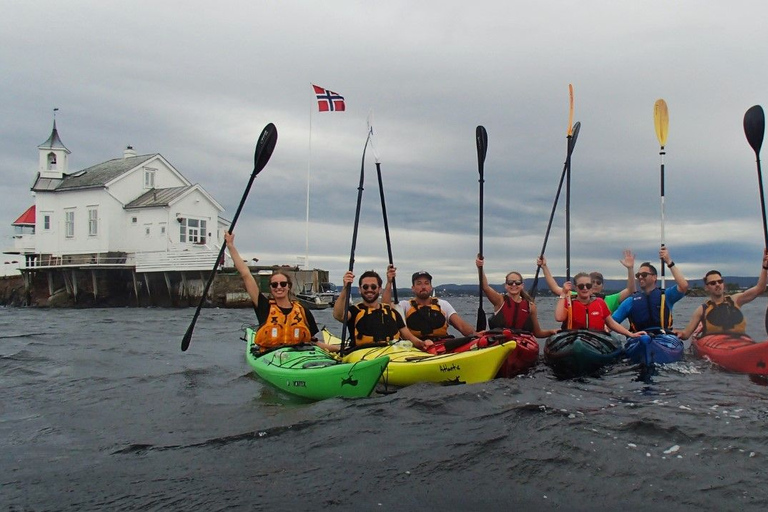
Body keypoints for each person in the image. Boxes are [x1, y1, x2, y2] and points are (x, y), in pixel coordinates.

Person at [224, 232, 329, 352]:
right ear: (271, 288)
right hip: (271, 356)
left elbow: (314, 342)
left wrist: (340, 350)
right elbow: (246, 274)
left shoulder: (302, 310)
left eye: (283, 284)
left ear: (289, 286)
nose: (279, 287)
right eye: (274, 284)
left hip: (297, 357)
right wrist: (231, 246)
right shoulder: (264, 306)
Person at [676, 250, 768, 340]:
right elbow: (686, 334)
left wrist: (764, 267)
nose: (717, 284)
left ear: (723, 284)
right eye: (712, 283)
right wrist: (676, 333)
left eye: (720, 281)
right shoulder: (702, 310)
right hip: (715, 346)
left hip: (739, 343)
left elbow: (759, 289)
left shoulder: (736, 300)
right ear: (706, 287)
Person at [333, 269, 431, 351]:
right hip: (363, 354)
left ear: (379, 289)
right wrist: (345, 287)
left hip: (392, 353)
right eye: (365, 287)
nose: (369, 290)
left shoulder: (392, 312)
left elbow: (408, 336)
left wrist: (422, 343)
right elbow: (338, 315)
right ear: (360, 289)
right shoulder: (354, 311)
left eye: (373, 286)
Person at [385, 267, 476, 340]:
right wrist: (389, 282)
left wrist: (475, 336)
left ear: (431, 287)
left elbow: (461, 326)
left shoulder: (443, 304)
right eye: (419, 283)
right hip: (415, 348)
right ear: (413, 288)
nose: (423, 287)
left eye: (426, 283)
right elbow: (385, 307)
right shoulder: (404, 306)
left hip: (442, 346)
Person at [611, 247, 689, 332]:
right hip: (640, 340)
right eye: (638, 275)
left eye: (644, 274)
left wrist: (669, 262)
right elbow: (612, 323)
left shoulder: (665, 296)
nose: (640, 277)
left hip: (663, 338)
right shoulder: (631, 301)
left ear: (654, 277)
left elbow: (683, 286)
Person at [475, 255, 556, 337]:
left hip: (521, 343)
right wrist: (480, 267)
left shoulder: (531, 306)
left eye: (517, 282)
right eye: (510, 282)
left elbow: (538, 333)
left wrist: (551, 332)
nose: (514, 285)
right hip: (500, 341)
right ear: (506, 286)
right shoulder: (499, 300)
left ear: (522, 285)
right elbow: (485, 287)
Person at [536, 249, 636, 312]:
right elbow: (554, 288)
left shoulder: (610, 299)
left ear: (603, 286)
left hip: (602, 335)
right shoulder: (574, 296)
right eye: (592, 282)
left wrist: (630, 269)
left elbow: (630, 290)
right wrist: (544, 267)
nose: (595, 284)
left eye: (598, 282)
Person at [555, 272, 644, 338]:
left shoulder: (600, 302)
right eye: (581, 286)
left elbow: (611, 323)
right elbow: (559, 318)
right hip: (573, 338)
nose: (585, 288)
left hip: (596, 340)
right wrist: (563, 293)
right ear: (575, 287)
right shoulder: (569, 301)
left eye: (588, 286)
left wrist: (631, 334)